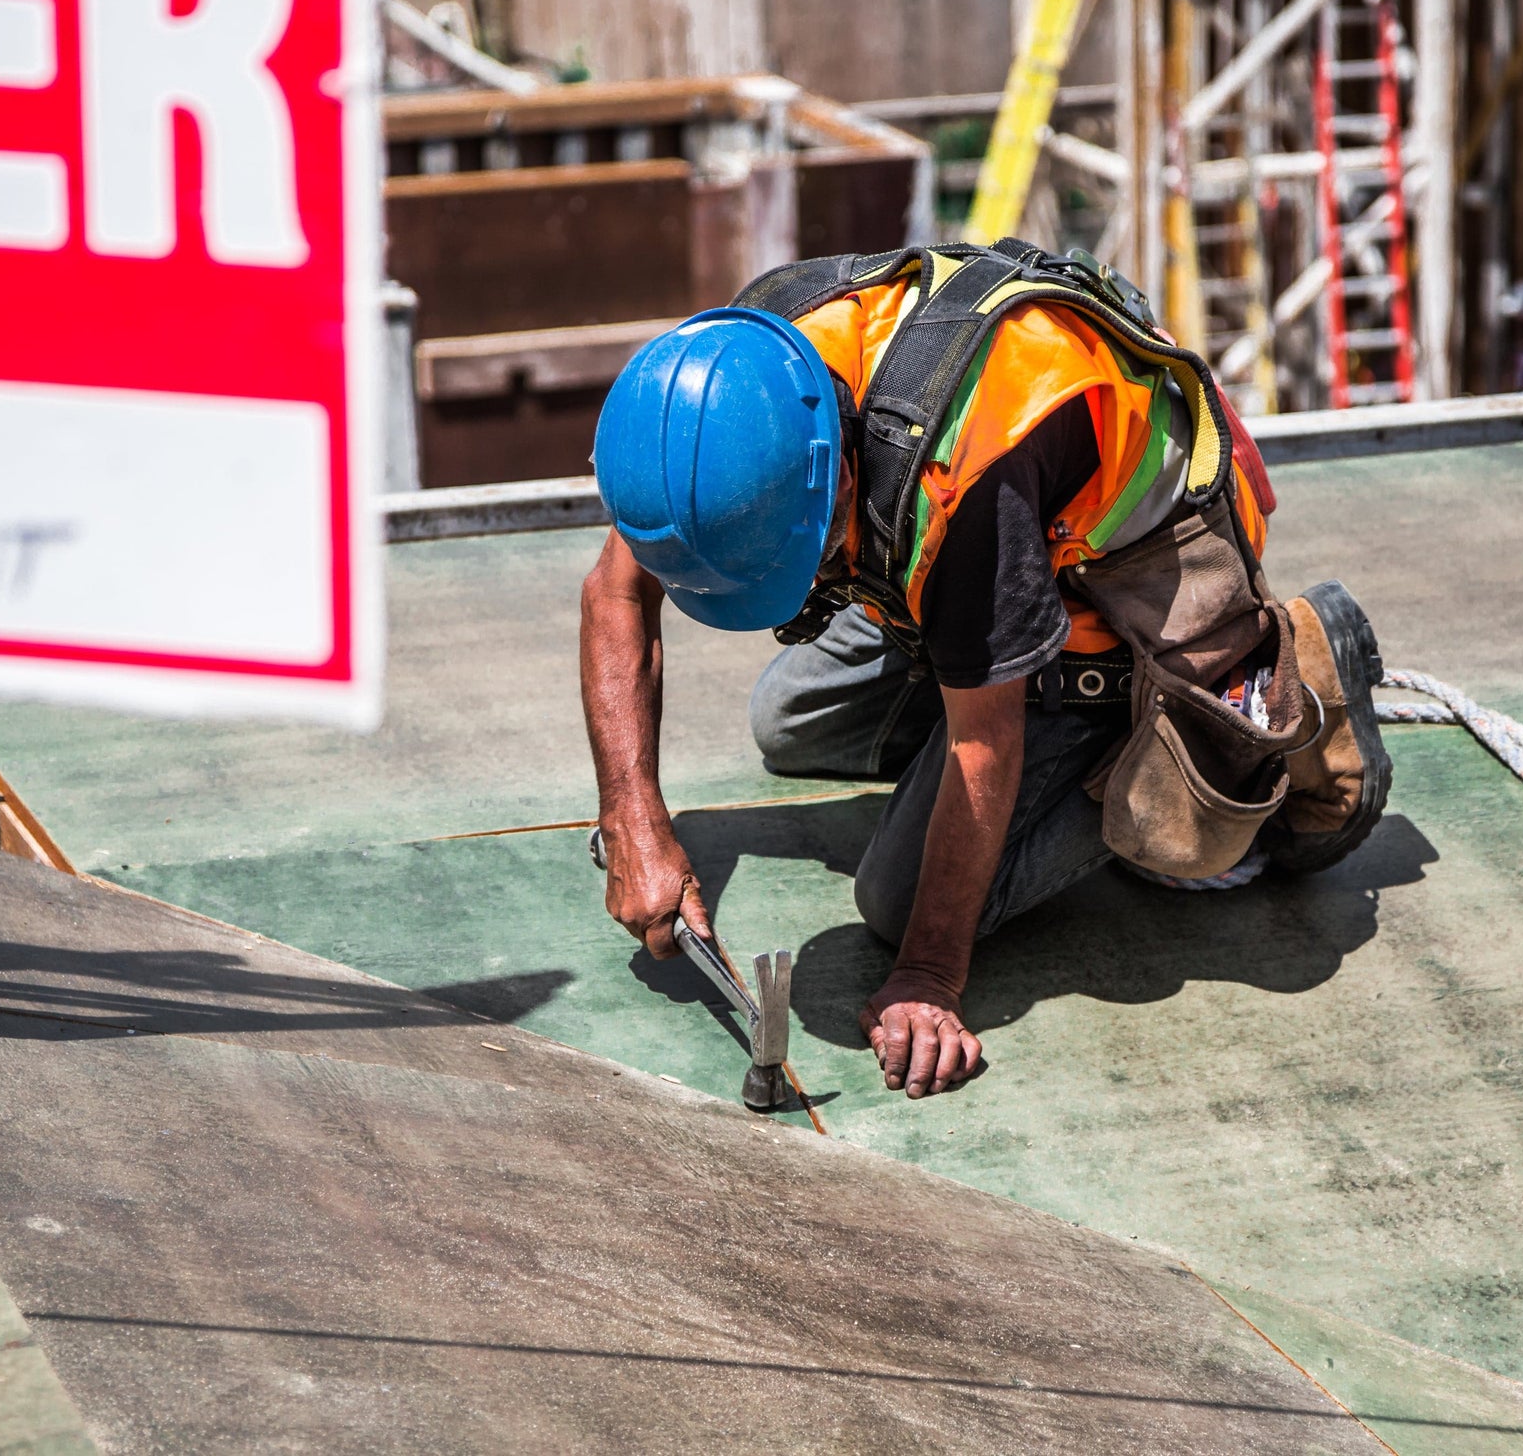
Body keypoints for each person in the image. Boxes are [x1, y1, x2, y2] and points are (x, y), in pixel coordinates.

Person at [579, 242, 1390, 1103]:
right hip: (970, 559)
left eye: (806, 560)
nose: (810, 587)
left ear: (834, 470)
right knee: (791, 720)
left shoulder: (969, 474)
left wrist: (929, 977)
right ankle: (967, 656)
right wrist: (634, 820)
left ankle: (1275, 681)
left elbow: (984, 740)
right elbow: (615, 596)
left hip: (1120, 603)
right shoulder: (729, 393)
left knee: (897, 903)